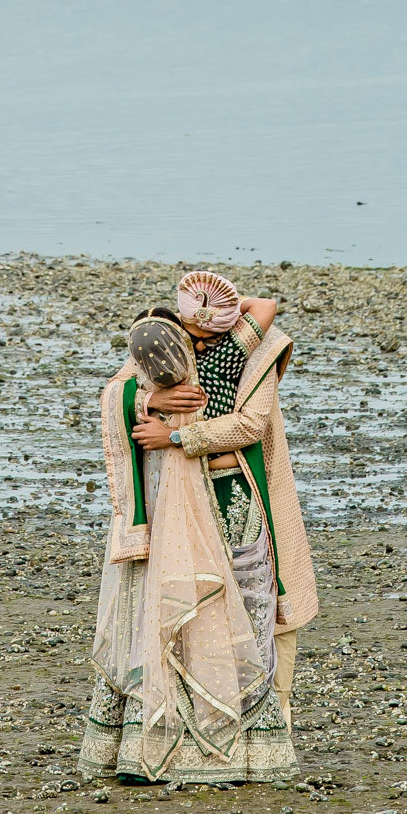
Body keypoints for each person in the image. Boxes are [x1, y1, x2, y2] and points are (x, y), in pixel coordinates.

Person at [80, 271, 316, 784]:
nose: (201, 338)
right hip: (175, 505)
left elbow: (251, 425)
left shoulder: (253, 351)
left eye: (209, 329)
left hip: (236, 492)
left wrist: (177, 437)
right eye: (194, 326)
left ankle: (245, 752)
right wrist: (150, 403)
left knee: (243, 607)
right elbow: (114, 393)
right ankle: (156, 745)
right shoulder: (167, 340)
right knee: (169, 610)